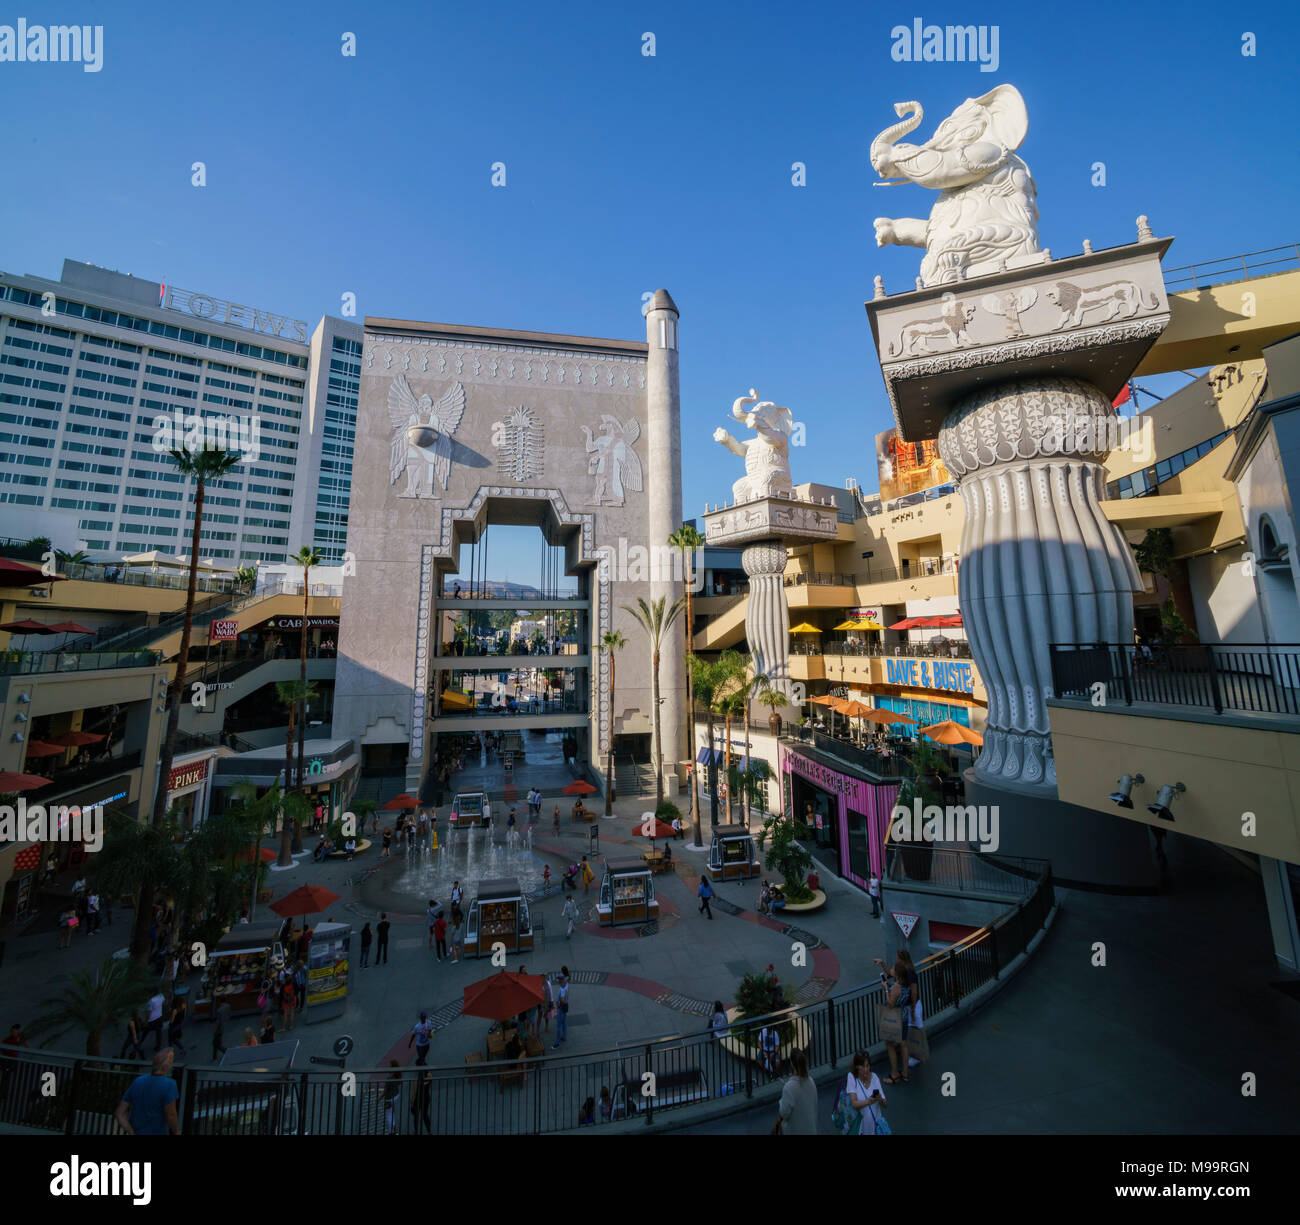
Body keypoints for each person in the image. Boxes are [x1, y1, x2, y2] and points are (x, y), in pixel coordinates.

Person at [115, 1049, 180, 1136]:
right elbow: (171, 1114)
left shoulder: (138, 1081)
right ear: (166, 1067)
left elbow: (120, 1113)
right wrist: (176, 1131)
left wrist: (130, 1131)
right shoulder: (170, 1085)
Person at [844, 1050, 887, 1135]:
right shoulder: (851, 1077)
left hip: (876, 1128)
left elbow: (885, 1104)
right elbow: (854, 1104)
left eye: (867, 1066)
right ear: (857, 1066)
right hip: (861, 1129)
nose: (866, 1069)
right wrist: (869, 1101)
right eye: (863, 1066)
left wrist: (880, 1099)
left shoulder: (874, 1077)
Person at [777, 1049, 818, 1135]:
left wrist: (782, 1099)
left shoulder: (789, 1088)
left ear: (792, 1064)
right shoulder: (811, 1081)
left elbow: (784, 1113)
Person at [410, 1069, 433, 1134]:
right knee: (425, 1115)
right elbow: (430, 1075)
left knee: (416, 1116)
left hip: (418, 1099)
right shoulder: (429, 1080)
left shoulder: (416, 1082)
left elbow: (414, 1092)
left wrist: (411, 1102)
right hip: (426, 1099)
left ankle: (416, 1131)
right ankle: (429, 1130)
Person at [552, 969, 570, 1049]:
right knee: (564, 1022)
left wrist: (559, 1005)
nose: (558, 980)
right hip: (566, 1006)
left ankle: (557, 1042)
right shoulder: (566, 984)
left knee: (559, 1025)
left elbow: (562, 999)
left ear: (562, 979)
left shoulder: (562, 989)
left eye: (559, 979)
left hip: (561, 1008)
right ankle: (565, 1037)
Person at [384, 1061, 402, 1134]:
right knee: (392, 1114)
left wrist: (379, 1098)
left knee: (389, 1116)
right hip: (396, 1095)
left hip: (389, 1098)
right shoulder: (397, 1076)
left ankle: (391, 1132)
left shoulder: (389, 1078)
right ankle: (394, 1131)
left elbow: (385, 1091)